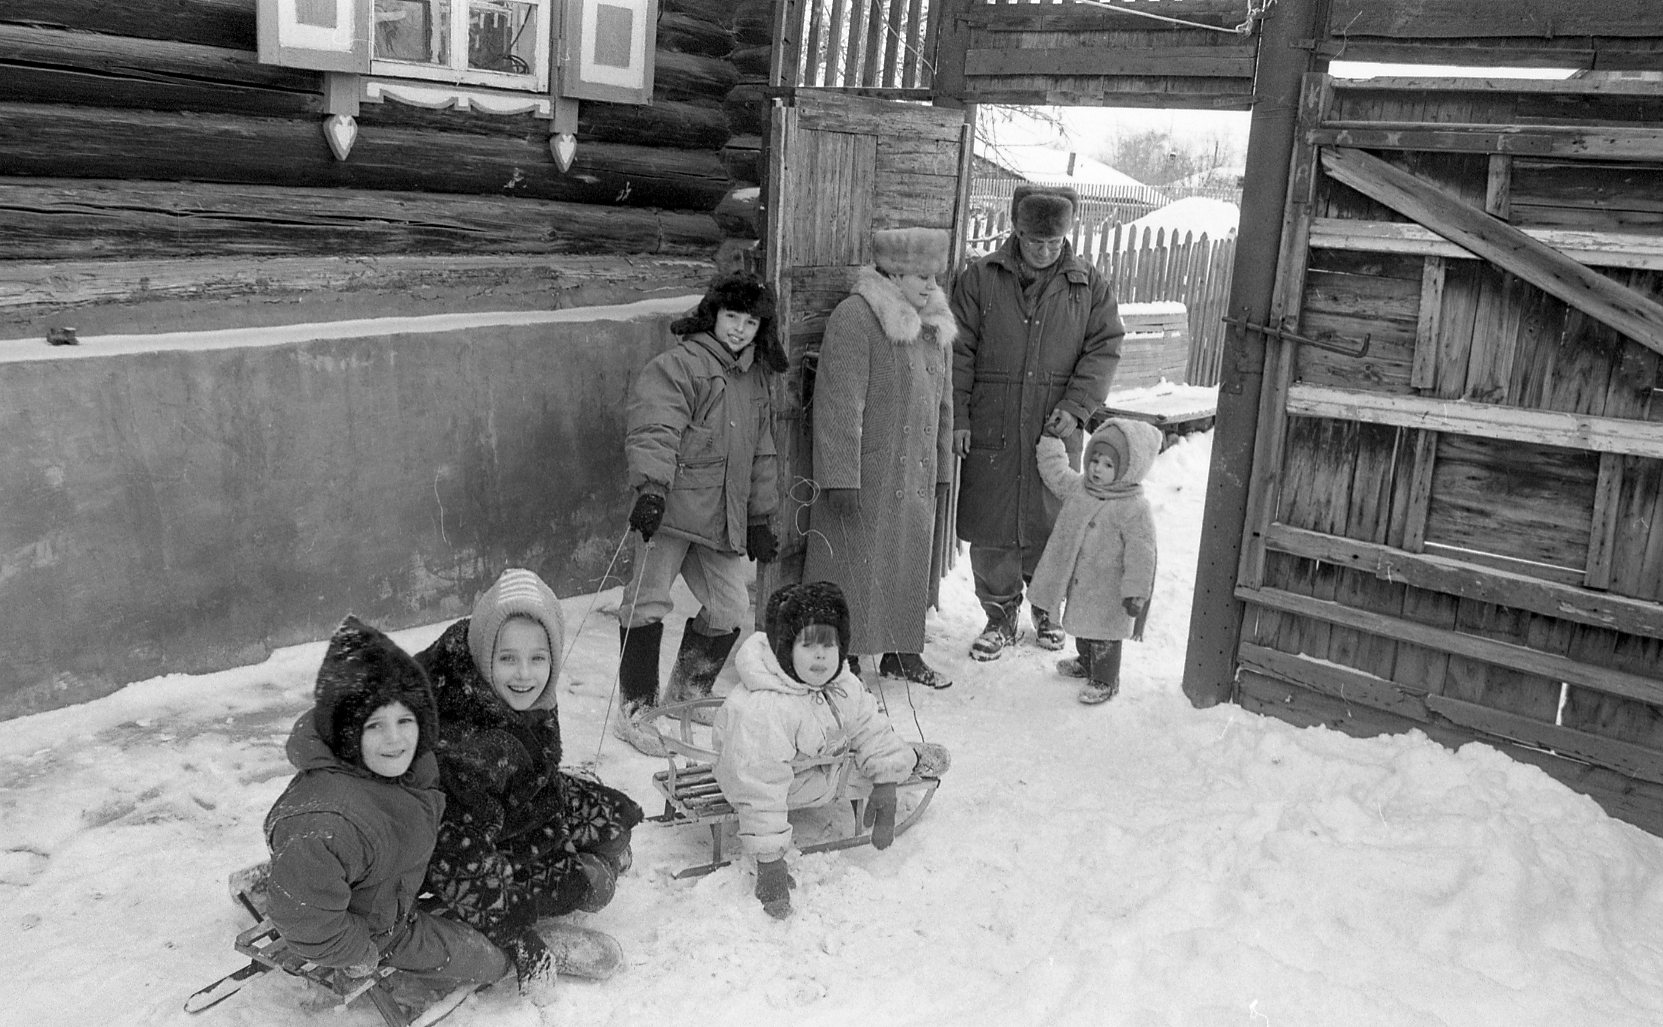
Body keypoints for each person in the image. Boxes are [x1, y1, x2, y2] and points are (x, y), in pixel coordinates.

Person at [414, 569, 643, 997]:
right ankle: (484, 925)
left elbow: (534, 770)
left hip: (513, 802)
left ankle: (580, 858)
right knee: (596, 885)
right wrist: (516, 932)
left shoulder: (512, 689)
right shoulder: (461, 741)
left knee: (615, 825)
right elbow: (455, 855)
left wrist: (564, 827)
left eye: (538, 658)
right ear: (485, 652)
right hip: (454, 849)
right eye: (507, 659)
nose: (524, 674)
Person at [263, 616, 512, 1003]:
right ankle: (512, 961)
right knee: (489, 961)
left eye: (404, 720)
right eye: (374, 726)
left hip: (393, 876)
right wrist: (359, 950)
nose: (395, 739)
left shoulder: (402, 768)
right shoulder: (327, 827)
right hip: (380, 926)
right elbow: (305, 919)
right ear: (346, 733)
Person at [950, 185, 1126, 662]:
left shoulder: (1087, 284)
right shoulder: (982, 278)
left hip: (1056, 423)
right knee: (993, 522)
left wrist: (1076, 406)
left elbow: (1104, 346)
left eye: (1054, 243)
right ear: (1016, 231)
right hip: (993, 420)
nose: (1045, 251)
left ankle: (1047, 608)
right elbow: (959, 349)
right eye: (1035, 242)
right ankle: (998, 614)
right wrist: (959, 417)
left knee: (1054, 519)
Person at [615, 273, 788, 755]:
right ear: (713, 315)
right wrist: (650, 489)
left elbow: (762, 453)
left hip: (719, 517)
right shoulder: (679, 366)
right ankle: (637, 709)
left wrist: (757, 518)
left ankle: (687, 693)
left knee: (730, 607)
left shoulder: (754, 380)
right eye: (731, 317)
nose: (738, 329)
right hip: (670, 511)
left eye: (750, 321)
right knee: (647, 602)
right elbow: (655, 426)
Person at [713, 581, 951, 919]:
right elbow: (757, 784)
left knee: (871, 745)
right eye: (808, 645)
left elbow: (869, 723)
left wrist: (884, 786)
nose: (821, 655)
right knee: (845, 769)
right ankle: (910, 759)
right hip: (776, 783)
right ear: (785, 648)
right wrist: (770, 864)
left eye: (830, 644)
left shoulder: (842, 684)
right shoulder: (766, 709)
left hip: (817, 763)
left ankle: (898, 762)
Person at [804, 227, 957, 689]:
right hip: (869, 469)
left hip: (915, 468)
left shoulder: (932, 323)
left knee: (909, 560)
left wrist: (944, 467)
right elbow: (838, 403)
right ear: (892, 273)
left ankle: (902, 650)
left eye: (934, 277)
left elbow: (944, 404)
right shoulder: (857, 317)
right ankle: (843, 656)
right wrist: (839, 477)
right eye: (920, 276)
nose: (931, 286)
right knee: (854, 563)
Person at [1029, 419, 1161, 704]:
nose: (1097, 469)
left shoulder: (1134, 508)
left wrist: (1136, 591)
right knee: (1082, 626)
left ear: (1129, 469)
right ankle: (1086, 663)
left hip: (1111, 588)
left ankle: (1105, 679)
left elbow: (1142, 553)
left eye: (1108, 465)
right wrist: (1051, 443)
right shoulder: (1081, 488)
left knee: (1105, 636)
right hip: (1082, 581)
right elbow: (1057, 474)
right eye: (1095, 460)